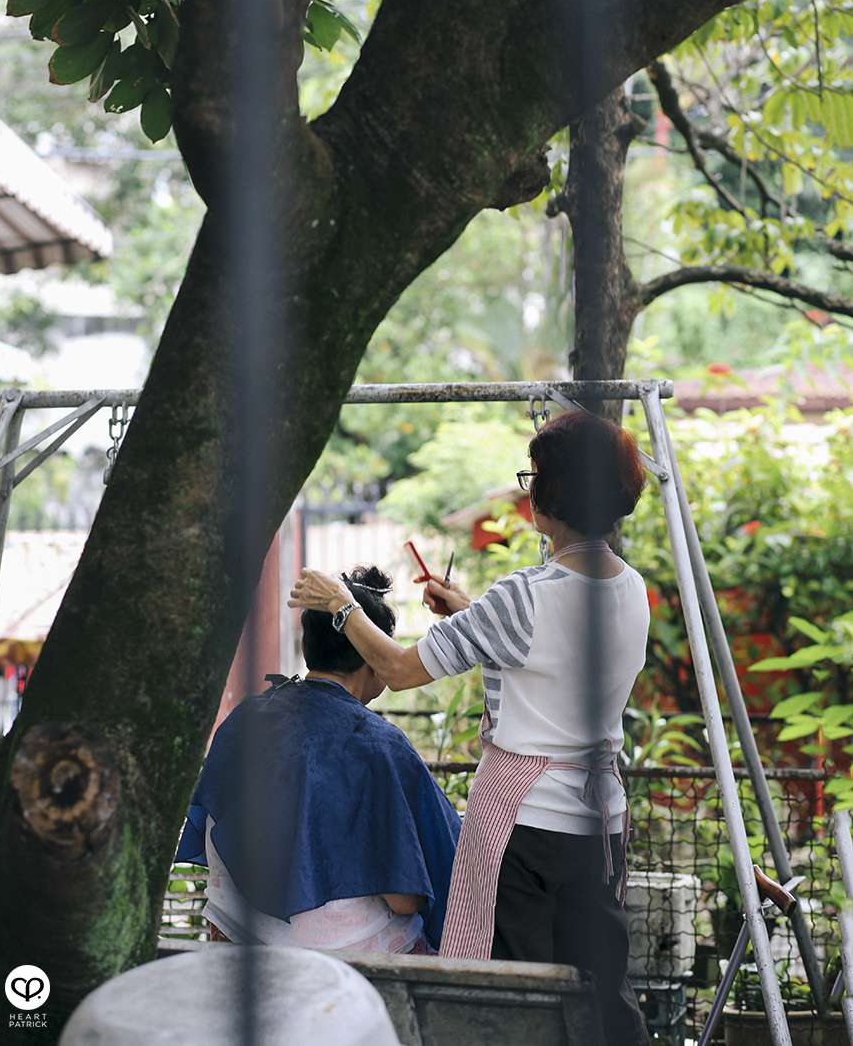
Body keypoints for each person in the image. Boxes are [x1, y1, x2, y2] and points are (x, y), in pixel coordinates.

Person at [289, 412, 651, 1046]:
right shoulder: (631, 589)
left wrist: (339, 605)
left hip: (525, 827)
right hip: (600, 822)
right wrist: (472, 615)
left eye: (532, 478)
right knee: (600, 989)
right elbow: (549, 656)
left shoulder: (525, 596)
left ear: (551, 494)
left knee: (508, 993)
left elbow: (398, 670)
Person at [176, 565, 461, 955]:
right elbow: (405, 899)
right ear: (374, 654)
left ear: (306, 649)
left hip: (237, 937)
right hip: (346, 958)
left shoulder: (244, 721)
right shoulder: (380, 746)